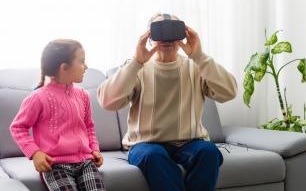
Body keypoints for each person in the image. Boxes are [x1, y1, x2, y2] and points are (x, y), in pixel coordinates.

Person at [97, 13, 237, 191]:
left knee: (209, 152)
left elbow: (229, 92)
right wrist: (136, 62)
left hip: (190, 142)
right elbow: (107, 102)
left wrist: (199, 56)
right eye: (159, 30)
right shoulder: (138, 68)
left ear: (183, 34)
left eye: (173, 29)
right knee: (154, 155)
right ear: (149, 37)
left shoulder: (196, 66)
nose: (166, 36)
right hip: (145, 144)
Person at [10, 39, 106, 191]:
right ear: (64, 68)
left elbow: (89, 126)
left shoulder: (83, 96)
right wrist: (35, 153)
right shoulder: (38, 98)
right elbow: (17, 127)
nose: (86, 67)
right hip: (55, 166)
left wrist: (94, 149)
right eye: (82, 61)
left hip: (86, 162)